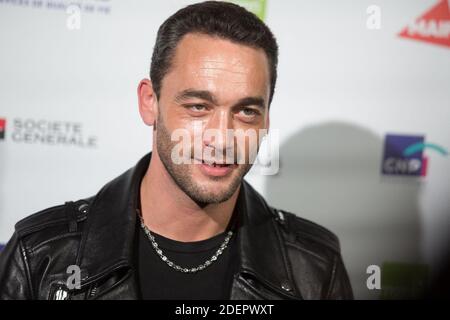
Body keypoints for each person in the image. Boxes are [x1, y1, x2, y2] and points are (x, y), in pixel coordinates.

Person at [0, 1, 353, 300]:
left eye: (246, 111)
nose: (223, 137)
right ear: (149, 102)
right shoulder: (42, 255)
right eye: (198, 106)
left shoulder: (315, 264)